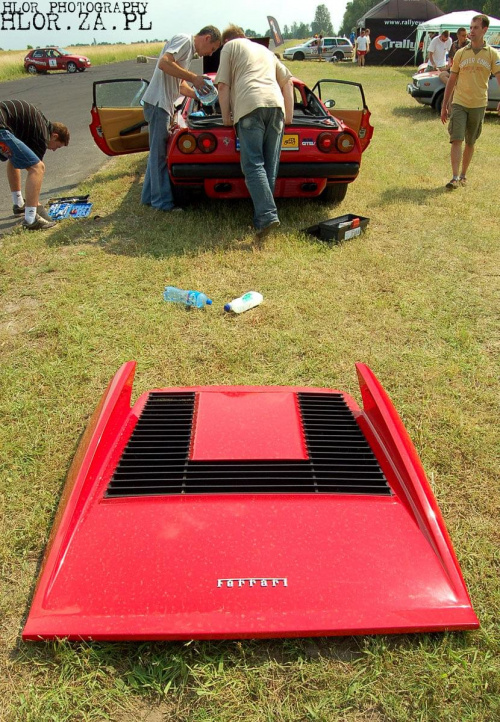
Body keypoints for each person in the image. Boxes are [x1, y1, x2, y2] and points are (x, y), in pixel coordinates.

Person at [215, 25, 293, 239]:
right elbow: (288, 83)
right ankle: (262, 220)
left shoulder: (229, 46)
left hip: (249, 107)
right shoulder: (266, 51)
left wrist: (225, 118)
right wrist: (289, 116)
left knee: (253, 165)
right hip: (276, 107)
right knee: (269, 166)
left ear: (227, 40)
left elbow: (223, 86)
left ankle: (268, 216)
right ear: (244, 36)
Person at [140, 26, 221, 212]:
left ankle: (148, 198)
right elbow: (164, 63)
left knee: (155, 153)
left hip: (161, 105)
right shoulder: (185, 40)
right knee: (160, 155)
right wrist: (194, 77)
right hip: (158, 104)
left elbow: (179, 84)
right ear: (207, 38)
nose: (210, 54)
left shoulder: (188, 51)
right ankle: (162, 204)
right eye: (213, 49)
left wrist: (199, 95)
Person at [441, 15, 500, 190]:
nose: (471, 31)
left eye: (475, 27)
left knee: (470, 141)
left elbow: (498, 76)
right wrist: (445, 103)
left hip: (479, 103)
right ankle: (454, 177)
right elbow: (452, 79)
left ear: (484, 30)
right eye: (471, 27)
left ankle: (464, 174)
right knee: (456, 138)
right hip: (459, 102)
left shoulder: (492, 54)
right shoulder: (460, 53)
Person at [0, 99, 69, 230]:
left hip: (3, 123)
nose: (54, 150)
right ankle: (31, 219)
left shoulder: (39, 124)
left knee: (14, 157)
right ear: (54, 136)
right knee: (38, 168)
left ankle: (19, 203)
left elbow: (17, 159)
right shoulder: (42, 137)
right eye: (57, 146)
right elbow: (34, 170)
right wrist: (36, 206)